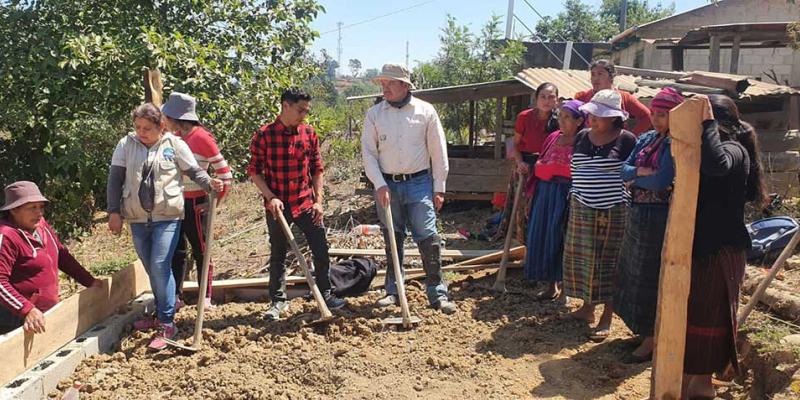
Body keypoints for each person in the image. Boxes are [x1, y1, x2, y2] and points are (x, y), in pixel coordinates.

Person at [107, 103, 223, 350]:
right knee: (152, 268)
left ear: (161, 127)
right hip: (138, 218)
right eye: (138, 127)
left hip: (167, 216)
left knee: (161, 265)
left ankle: (167, 321)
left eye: (147, 128)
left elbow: (193, 171)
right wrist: (114, 212)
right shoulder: (126, 145)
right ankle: (161, 312)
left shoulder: (174, 145)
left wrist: (209, 183)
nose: (141, 132)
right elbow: (115, 180)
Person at [681, 95, 766, 399]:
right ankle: (689, 381)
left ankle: (701, 386)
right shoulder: (709, 151)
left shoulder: (733, 150)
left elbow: (717, 166)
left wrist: (706, 123)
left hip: (721, 250)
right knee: (693, 316)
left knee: (708, 317)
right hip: (704, 248)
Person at [361, 63, 455, 314]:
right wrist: (379, 184)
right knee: (393, 236)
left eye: (390, 83)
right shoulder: (375, 115)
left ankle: (437, 293)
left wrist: (439, 186)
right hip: (387, 184)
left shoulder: (425, 111)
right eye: (383, 83)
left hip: (419, 183)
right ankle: (393, 291)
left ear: (404, 85)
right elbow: (368, 153)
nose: (385, 88)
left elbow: (438, 151)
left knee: (427, 235)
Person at [248, 88, 347, 321]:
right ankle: (278, 302)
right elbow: (254, 171)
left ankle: (326, 294)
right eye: (300, 110)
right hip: (278, 206)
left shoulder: (309, 134)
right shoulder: (264, 135)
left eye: (306, 110)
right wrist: (270, 196)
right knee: (278, 254)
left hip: (305, 203)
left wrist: (319, 201)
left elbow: (317, 169)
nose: (304, 115)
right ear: (285, 106)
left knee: (321, 249)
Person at [613, 87, 683, 363]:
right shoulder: (646, 139)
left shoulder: (677, 144)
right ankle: (642, 331)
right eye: (653, 113)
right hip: (638, 211)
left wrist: (636, 176)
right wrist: (641, 172)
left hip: (660, 215)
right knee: (632, 271)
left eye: (663, 115)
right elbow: (622, 170)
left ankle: (653, 338)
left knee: (650, 275)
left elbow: (662, 180)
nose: (656, 119)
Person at [562, 89, 637, 341]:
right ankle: (587, 308)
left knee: (609, 262)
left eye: (599, 116)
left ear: (615, 118)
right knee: (585, 259)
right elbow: (576, 168)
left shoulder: (626, 140)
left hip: (613, 209)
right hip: (582, 207)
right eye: (591, 114)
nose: (593, 119)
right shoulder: (583, 136)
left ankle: (607, 316)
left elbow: (631, 175)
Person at [0, 181, 100, 334]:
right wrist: (26, 310)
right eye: (32, 208)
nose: (39, 212)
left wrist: (89, 281)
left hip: (44, 313)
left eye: (41, 207)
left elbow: (62, 256)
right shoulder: (7, 236)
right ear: (14, 210)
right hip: (17, 319)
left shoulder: (41, 226)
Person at [163, 92, 233, 309]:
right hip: (174, 202)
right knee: (176, 251)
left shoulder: (202, 138)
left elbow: (225, 175)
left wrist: (213, 203)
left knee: (202, 250)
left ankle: (206, 297)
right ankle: (176, 296)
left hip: (196, 203)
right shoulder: (172, 138)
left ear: (177, 118)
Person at [524, 100, 585, 301]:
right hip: (546, 193)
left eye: (568, 117)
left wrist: (553, 170)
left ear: (579, 121)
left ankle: (566, 288)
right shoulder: (552, 137)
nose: (562, 121)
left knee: (563, 237)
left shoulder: (584, 141)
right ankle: (550, 286)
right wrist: (543, 169)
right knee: (544, 235)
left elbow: (580, 171)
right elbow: (541, 162)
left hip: (567, 195)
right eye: (560, 116)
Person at [494, 82, 560, 244]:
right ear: (536, 99)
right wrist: (520, 162)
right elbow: (514, 144)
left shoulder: (560, 120)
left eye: (551, 97)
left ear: (557, 100)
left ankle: (538, 240)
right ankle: (521, 241)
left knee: (540, 205)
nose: (546, 100)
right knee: (521, 207)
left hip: (547, 167)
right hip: (525, 163)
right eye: (543, 97)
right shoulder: (524, 117)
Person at [574, 59, 652, 135]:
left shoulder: (624, 98)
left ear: (611, 76)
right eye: (593, 74)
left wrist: (633, 135)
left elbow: (647, 116)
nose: (595, 78)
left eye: (600, 74)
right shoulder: (582, 97)